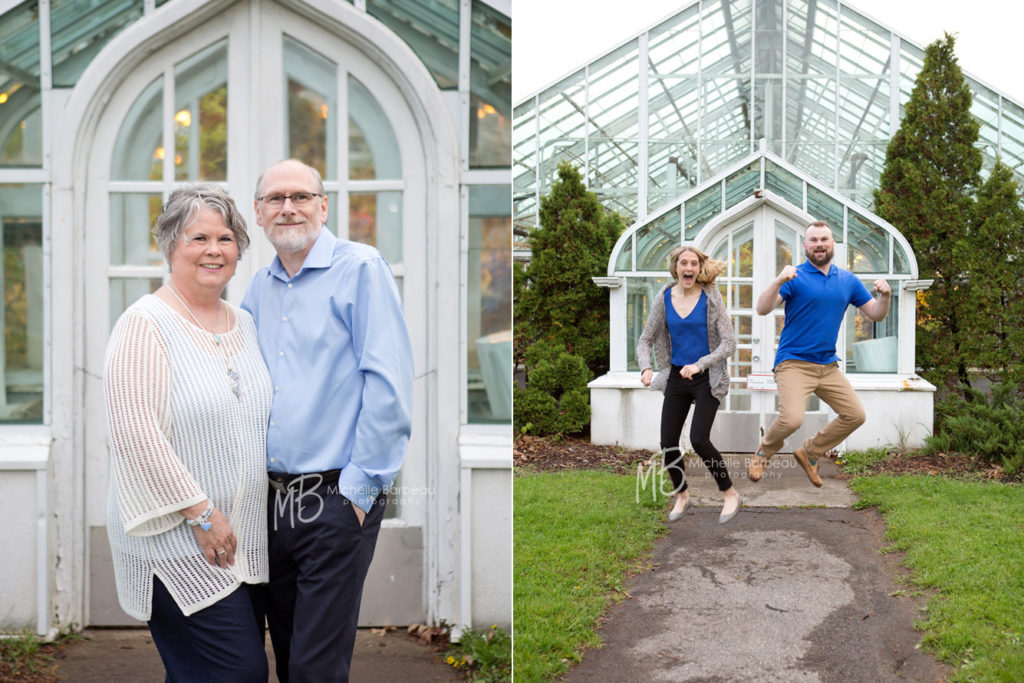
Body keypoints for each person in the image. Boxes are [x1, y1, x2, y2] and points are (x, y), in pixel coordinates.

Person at [242, 159, 414, 682]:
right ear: (258, 213)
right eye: (275, 199)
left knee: (317, 665)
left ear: (323, 205)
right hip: (268, 503)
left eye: (300, 196)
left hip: (336, 497)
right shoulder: (258, 289)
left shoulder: (361, 268)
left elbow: (388, 386)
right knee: (290, 652)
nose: (288, 208)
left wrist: (358, 496)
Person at [104, 185, 272, 681]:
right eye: (199, 237)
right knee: (238, 674)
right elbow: (136, 432)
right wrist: (202, 514)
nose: (214, 250)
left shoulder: (244, 324)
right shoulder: (145, 323)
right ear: (171, 244)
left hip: (239, 540)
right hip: (178, 538)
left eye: (226, 237)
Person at [748, 220, 891, 486]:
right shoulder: (795, 277)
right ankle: (764, 451)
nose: (819, 245)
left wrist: (886, 296)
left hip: (827, 365)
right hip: (793, 364)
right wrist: (778, 279)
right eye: (813, 240)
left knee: (855, 415)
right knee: (791, 419)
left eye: (824, 239)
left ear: (832, 243)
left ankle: (810, 452)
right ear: (805, 245)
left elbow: (876, 314)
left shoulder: (847, 280)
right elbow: (762, 308)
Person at [638, 245, 742, 524]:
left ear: (699, 268)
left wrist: (701, 363)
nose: (689, 268)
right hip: (676, 376)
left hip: (707, 377)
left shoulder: (711, 297)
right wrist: (645, 367)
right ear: (676, 268)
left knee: (698, 439)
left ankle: (729, 493)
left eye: (694, 263)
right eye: (683, 263)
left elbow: (729, 342)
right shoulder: (664, 297)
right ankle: (682, 495)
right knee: (668, 442)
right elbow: (646, 339)